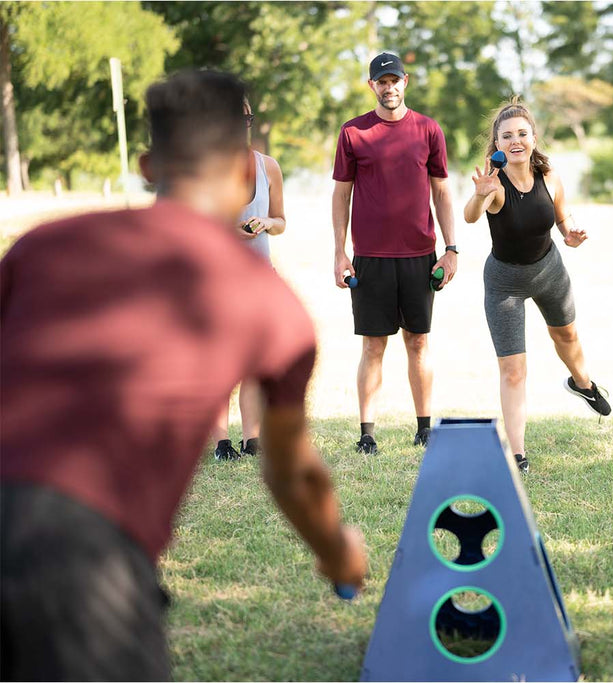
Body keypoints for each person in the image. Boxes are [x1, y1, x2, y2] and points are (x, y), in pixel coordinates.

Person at [0, 71, 368, 681]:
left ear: (148, 165)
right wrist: (338, 554)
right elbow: (290, 470)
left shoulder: (42, 247)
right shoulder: (267, 304)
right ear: (244, 168)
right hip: (79, 559)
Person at [464, 100, 611, 473]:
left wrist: (570, 233)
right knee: (514, 370)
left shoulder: (550, 176)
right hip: (504, 285)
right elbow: (470, 216)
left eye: (522, 134)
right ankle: (517, 453)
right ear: (497, 143)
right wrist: (480, 193)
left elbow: (561, 215)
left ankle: (583, 383)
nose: (516, 141)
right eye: (507, 136)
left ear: (533, 138)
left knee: (567, 338)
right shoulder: (495, 185)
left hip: (549, 272)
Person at [332, 52, 457, 455]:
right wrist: (340, 252)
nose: (389, 88)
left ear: (406, 81)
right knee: (372, 345)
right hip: (369, 257)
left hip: (421, 255)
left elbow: (441, 190)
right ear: (372, 86)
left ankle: (424, 429)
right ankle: (367, 433)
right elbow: (341, 195)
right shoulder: (353, 133)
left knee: (418, 342)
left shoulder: (428, 129)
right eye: (381, 82)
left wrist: (450, 249)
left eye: (394, 80)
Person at [212, 96, 288, 460]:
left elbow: (280, 221)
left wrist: (265, 224)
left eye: (245, 119)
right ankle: (221, 442)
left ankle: (252, 438)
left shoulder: (268, 167)